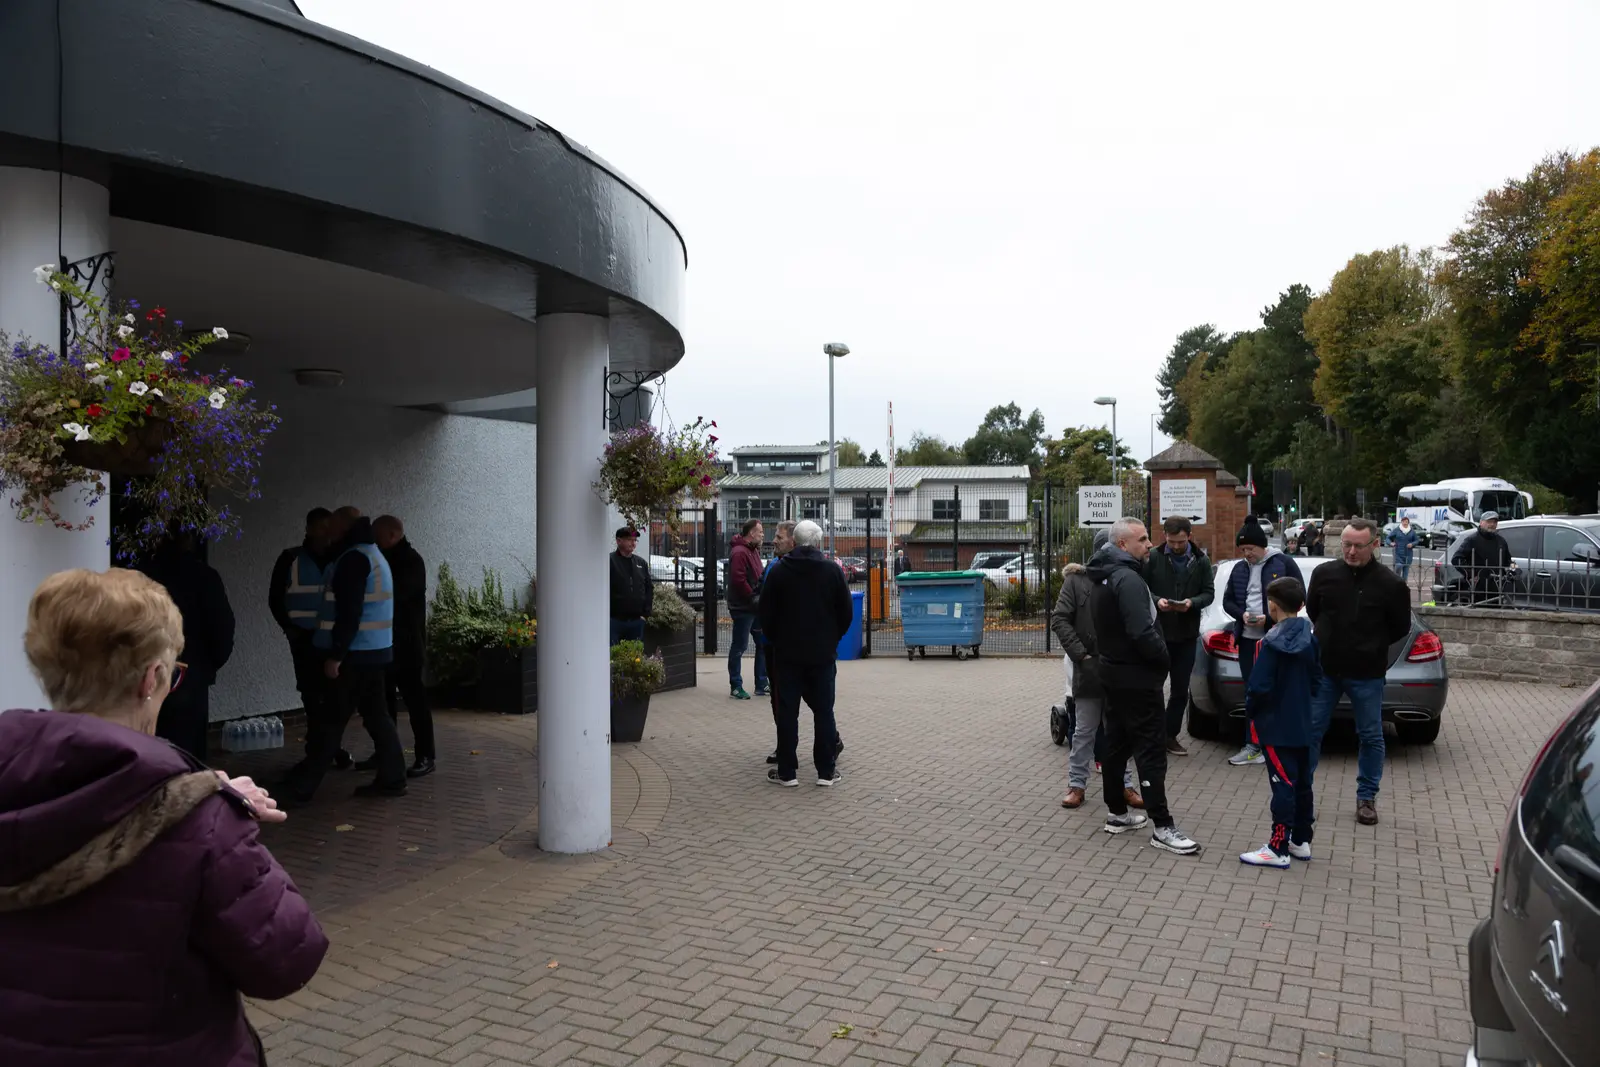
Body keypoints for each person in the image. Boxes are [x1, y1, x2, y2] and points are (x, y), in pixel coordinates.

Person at [0, 568, 327, 1064]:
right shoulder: (202, 822)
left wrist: (200, 792)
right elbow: (288, 956)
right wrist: (222, 813)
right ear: (151, 679)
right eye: (173, 674)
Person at [1088, 517, 1199, 855]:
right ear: (1123, 544)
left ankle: (1117, 813)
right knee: (1150, 750)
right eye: (1143, 539)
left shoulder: (1103, 576)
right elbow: (1140, 631)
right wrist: (1163, 658)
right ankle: (1163, 826)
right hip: (1137, 679)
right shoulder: (1128, 579)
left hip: (1114, 674)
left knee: (1116, 745)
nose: (1150, 544)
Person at [284, 510, 409, 802]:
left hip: (355, 654)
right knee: (377, 717)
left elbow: (349, 613)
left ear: (343, 527)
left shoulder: (353, 558)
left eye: (332, 525)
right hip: (373, 652)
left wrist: (336, 655)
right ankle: (393, 779)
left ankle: (302, 789)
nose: (328, 531)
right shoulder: (371, 554)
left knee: (331, 720)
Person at [1306, 517, 1412, 826]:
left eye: (1358, 546)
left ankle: (1367, 798)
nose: (1351, 552)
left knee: (1371, 735)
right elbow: (1314, 611)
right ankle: (1300, 794)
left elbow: (1400, 627)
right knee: (1311, 731)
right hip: (1326, 669)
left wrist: (1370, 645)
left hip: (1366, 673)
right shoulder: (1324, 574)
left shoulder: (1391, 585)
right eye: (1347, 545)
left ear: (1374, 544)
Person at [1051, 531, 1141, 811]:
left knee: (1120, 732)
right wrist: (1081, 655)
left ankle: (1125, 785)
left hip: (1120, 668)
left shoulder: (1126, 578)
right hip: (1090, 669)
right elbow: (1060, 619)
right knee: (1084, 732)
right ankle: (1076, 785)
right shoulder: (1076, 581)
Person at [758, 519, 851, 787]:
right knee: (824, 711)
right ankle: (826, 772)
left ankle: (787, 772)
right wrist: (832, 639)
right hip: (822, 654)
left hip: (787, 653)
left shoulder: (779, 571)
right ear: (818, 542)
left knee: (788, 712)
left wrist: (777, 639)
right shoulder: (832, 571)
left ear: (795, 541)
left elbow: (766, 613)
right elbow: (845, 612)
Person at [1237, 576, 1321, 868]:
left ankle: (1278, 847)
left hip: (1275, 726)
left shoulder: (1269, 644)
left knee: (1283, 784)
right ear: (1301, 604)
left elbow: (1258, 687)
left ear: (1272, 605)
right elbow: (1317, 680)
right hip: (1303, 723)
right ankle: (1300, 839)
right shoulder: (1311, 639)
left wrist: (1254, 713)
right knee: (1302, 783)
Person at [269, 507, 357, 773]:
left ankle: (328, 748)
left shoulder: (342, 558)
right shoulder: (291, 558)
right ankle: (317, 750)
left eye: (329, 527)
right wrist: (289, 629)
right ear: (308, 529)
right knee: (311, 695)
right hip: (304, 639)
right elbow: (275, 599)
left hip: (331, 640)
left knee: (334, 698)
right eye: (320, 527)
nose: (325, 533)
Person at [140, 530, 234, 760]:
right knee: (189, 752)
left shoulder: (143, 577)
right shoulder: (204, 576)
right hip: (191, 675)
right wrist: (207, 667)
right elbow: (222, 627)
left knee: (151, 744)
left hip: (148, 673)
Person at [1221, 516, 1296, 767]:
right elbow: (1228, 601)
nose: (1247, 554)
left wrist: (1269, 618)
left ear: (1262, 546)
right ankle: (1253, 745)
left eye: (1250, 548)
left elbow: (1299, 597)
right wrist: (1241, 615)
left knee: (1278, 691)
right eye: (1242, 549)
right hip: (1247, 641)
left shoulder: (1283, 563)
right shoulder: (1239, 569)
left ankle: (1277, 744)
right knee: (1252, 692)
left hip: (1276, 641)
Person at [1142, 516, 1215, 756]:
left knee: (1180, 690)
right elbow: (1142, 588)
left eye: (1181, 542)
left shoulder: (1201, 560)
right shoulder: (1153, 557)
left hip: (1186, 636)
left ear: (1189, 536)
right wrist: (1157, 601)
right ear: (1164, 536)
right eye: (1171, 541)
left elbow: (1209, 593)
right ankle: (1150, 735)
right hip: (1157, 634)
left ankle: (1169, 735)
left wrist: (1191, 603)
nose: (1175, 546)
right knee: (1151, 688)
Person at [374, 514, 436, 778]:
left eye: (378, 535)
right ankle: (386, 752)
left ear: (392, 534)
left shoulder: (411, 561)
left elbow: (397, 596)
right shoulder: (383, 559)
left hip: (407, 645)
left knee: (415, 702)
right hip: (385, 642)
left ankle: (426, 755)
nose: (374, 540)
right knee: (384, 701)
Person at [727, 519, 768, 699]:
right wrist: (753, 597)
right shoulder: (739, 552)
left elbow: (758, 576)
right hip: (743, 608)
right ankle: (736, 685)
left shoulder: (753, 551)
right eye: (760, 532)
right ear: (751, 533)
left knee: (762, 643)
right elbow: (738, 580)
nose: (763, 535)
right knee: (740, 646)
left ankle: (762, 683)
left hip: (755, 606)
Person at [1452, 511, 1517, 606]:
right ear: (1481, 522)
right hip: (1478, 588)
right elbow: (1456, 559)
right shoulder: (1472, 540)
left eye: (1495, 522)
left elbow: (1509, 560)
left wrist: (1514, 569)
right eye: (1489, 521)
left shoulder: (1501, 541)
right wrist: (1471, 574)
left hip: (1497, 587)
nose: (1492, 524)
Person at [609, 526, 653, 645]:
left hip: (636, 621)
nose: (633, 543)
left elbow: (649, 588)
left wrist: (645, 614)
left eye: (635, 540)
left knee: (635, 654)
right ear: (619, 541)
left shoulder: (641, 563)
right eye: (629, 539)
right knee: (612, 652)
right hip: (614, 621)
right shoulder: (610, 561)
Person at [1389, 515, 1419, 584]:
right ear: (1401, 522)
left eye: (1406, 522)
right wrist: (1390, 543)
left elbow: (1416, 540)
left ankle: (1404, 585)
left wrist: (1412, 544)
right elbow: (1388, 537)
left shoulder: (1412, 531)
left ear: (1408, 523)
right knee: (1398, 566)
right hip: (1398, 553)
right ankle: (1396, 582)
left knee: (1405, 572)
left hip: (1408, 554)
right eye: (1403, 521)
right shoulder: (1397, 530)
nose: (1405, 523)